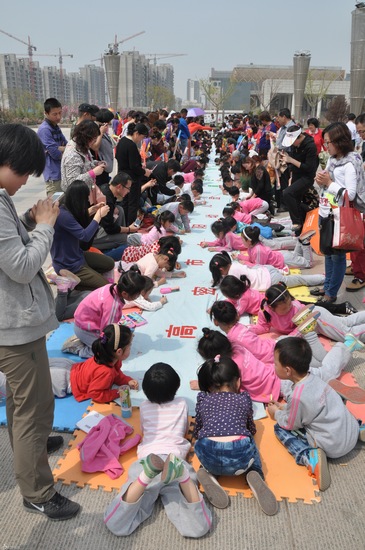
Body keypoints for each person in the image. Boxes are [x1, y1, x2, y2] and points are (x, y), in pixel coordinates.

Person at [0, 123, 80, 520]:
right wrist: (46, 226)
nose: (28, 180)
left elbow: (11, 251)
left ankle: (28, 451)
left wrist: (31, 224)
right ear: (7, 162)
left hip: (12, 320)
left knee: (22, 404)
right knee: (34, 407)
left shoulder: (1, 201)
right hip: (12, 327)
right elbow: (20, 265)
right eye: (25, 172)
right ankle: (38, 491)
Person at [104, 363, 212, 538]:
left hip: (148, 458)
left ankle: (145, 477)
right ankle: (183, 477)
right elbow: (184, 431)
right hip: (175, 460)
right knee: (198, 528)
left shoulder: (145, 407)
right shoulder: (182, 404)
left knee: (115, 524)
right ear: (175, 388)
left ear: (146, 390)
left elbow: (144, 431)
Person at [268, 337, 363, 491]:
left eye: (275, 363)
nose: (273, 366)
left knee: (280, 429)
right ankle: (359, 428)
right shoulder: (315, 378)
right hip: (349, 431)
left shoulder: (298, 395)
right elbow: (304, 408)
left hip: (334, 446)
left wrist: (276, 414)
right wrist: (283, 408)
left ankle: (310, 458)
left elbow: (291, 423)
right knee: (333, 405)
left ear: (287, 370)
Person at [193, 355, 278, 515]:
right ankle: (254, 472)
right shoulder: (244, 399)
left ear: (210, 385)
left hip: (209, 452)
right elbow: (250, 427)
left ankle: (207, 471)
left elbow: (198, 427)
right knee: (249, 440)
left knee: (205, 443)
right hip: (241, 461)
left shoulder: (203, 399)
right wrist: (249, 432)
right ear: (238, 382)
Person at [315, 122, 361, 301]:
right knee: (328, 253)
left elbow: (350, 194)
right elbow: (327, 182)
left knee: (338, 257)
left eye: (328, 143)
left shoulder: (350, 163)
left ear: (339, 141)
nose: (326, 147)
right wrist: (321, 181)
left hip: (339, 218)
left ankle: (331, 293)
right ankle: (327, 287)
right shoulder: (333, 160)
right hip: (326, 211)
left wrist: (328, 183)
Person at [251, 282, 365, 349]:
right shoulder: (265, 313)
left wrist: (285, 339)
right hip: (314, 326)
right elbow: (263, 327)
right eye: (285, 308)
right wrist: (248, 330)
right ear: (271, 308)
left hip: (317, 318)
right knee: (346, 322)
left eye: (289, 302)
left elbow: (300, 329)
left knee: (347, 335)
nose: (289, 307)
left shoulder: (296, 308)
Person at [64, 270, 145, 357]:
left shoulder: (112, 287)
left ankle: (85, 340)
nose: (138, 296)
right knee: (106, 353)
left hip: (82, 322)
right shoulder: (112, 306)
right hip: (84, 329)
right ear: (124, 293)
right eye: (137, 295)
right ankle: (79, 349)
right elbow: (107, 331)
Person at [51, 180, 114, 290]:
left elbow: (74, 220)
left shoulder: (66, 210)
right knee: (107, 288)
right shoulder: (63, 215)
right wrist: (98, 216)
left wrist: (92, 210)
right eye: (86, 198)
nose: (88, 201)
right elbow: (84, 236)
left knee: (109, 263)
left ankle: (84, 279)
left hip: (77, 256)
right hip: (69, 266)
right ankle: (70, 282)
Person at [69, 324, 138, 402]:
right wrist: (118, 392)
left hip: (72, 369)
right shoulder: (106, 372)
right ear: (119, 352)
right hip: (67, 381)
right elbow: (95, 394)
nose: (130, 348)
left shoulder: (107, 357)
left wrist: (127, 380)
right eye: (130, 346)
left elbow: (116, 374)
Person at [208, 251, 325, 291]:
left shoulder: (232, 275)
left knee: (299, 280)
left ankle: (322, 278)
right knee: (296, 279)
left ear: (222, 269)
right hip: (266, 269)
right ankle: (281, 270)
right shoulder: (234, 265)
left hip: (270, 280)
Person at [92, 172, 140, 261]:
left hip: (100, 227)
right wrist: (128, 229)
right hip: (93, 235)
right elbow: (109, 228)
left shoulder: (106, 188)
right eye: (128, 188)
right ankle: (105, 257)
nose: (128, 191)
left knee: (120, 210)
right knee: (123, 239)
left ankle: (116, 243)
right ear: (119, 186)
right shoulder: (107, 199)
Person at [281, 125, 319, 234]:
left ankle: (296, 222)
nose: (292, 145)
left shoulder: (310, 146)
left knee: (287, 193)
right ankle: (300, 231)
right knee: (295, 202)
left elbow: (308, 167)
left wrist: (291, 160)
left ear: (298, 137)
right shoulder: (295, 146)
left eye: (293, 142)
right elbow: (293, 163)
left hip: (306, 177)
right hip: (296, 176)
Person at [115, 123, 153, 225]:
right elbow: (134, 166)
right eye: (142, 137)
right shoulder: (131, 145)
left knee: (125, 203)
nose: (141, 140)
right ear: (136, 133)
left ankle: (124, 224)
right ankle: (130, 227)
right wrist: (145, 172)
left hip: (122, 176)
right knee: (132, 204)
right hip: (132, 179)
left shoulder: (122, 141)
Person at [61, 120, 106, 193]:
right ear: (86, 137)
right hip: (76, 196)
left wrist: (96, 163)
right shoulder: (72, 154)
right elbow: (72, 182)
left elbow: (84, 163)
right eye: (94, 139)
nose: (95, 141)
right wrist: (93, 173)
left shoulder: (82, 146)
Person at [240, 225, 315, 269]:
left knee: (308, 264)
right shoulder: (252, 247)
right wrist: (240, 257)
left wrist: (245, 263)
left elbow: (259, 268)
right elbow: (251, 259)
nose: (241, 241)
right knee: (297, 256)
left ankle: (305, 243)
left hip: (284, 260)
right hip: (282, 256)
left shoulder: (258, 250)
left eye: (242, 239)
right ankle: (300, 241)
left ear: (249, 241)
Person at [37, 97, 68, 196]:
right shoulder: (45, 129)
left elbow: (68, 145)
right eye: (55, 114)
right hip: (53, 176)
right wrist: (60, 148)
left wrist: (61, 148)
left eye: (60, 113)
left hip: (61, 173)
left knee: (63, 207)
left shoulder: (55, 127)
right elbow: (55, 153)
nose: (58, 117)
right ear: (46, 113)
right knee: (55, 207)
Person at [91, 108, 116, 186]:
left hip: (105, 167)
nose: (110, 123)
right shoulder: (95, 131)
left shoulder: (104, 132)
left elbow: (113, 144)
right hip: (99, 167)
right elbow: (95, 147)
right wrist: (101, 133)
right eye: (109, 122)